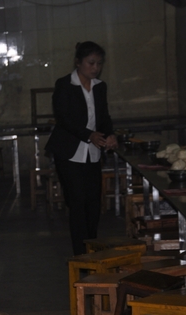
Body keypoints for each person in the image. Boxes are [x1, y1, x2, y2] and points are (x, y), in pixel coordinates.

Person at [45, 41, 118, 255]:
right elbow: (64, 118)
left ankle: (92, 247)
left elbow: (103, 117)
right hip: (69, 152)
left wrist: (109, 134)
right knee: (77, 202)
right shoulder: (65, 85)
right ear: (78, 62)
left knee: (93, 203)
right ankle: (81, 253)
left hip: (92, 153)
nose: (95, 68)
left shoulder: (100, 86)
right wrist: (89, 135)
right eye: (91, 63)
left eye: (99, 64)